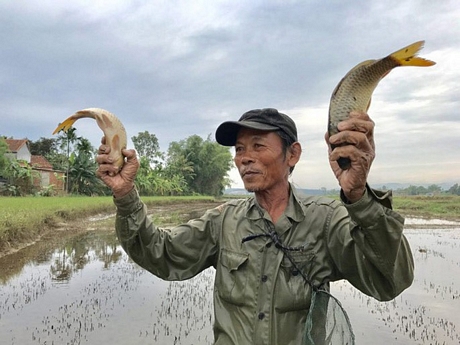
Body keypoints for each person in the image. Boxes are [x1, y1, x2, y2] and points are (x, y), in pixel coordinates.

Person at [96, 108, 414, 345]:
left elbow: (388, 281)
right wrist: (125, 194)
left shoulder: (326, 219)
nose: (244, 158)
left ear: (293, 154)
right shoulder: (224, 221)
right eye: (239, 149)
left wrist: (358, 196)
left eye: (258, 146)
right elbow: (161, 254)